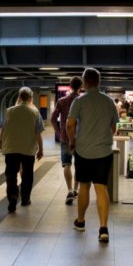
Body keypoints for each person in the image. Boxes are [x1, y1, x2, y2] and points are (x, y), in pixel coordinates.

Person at [66, 68, 119, 244]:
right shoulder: (108, 101)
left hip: (83, 151)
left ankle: (81, 222)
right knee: (101, 188)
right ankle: (103, 229)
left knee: (84, 187)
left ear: (84, 82)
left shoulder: (79, 101)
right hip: (104, 152)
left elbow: (70, 124)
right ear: (99, 81)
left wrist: (72, 140)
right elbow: (114, 126)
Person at [0, 87, 43, 213]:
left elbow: (3, 129)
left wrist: (1, 142)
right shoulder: (35, 112)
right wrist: (41, 149)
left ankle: (13, 197)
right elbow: (38, 133)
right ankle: (25, 199)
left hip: (11, 148)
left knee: (11, 175)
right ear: (31, 98)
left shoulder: (9, 111)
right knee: (27, 175)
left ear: (19, 97)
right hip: (28, 149)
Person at [50, 76, 83, 205]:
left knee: (67, 164)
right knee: (79, 165)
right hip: (80, 137)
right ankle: (75, 189)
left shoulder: (62, 101)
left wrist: (58, 133)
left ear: (70, 86)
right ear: (81, 87)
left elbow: (53, 118)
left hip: (65, 137)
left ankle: (69, 190)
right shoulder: (82, 101)